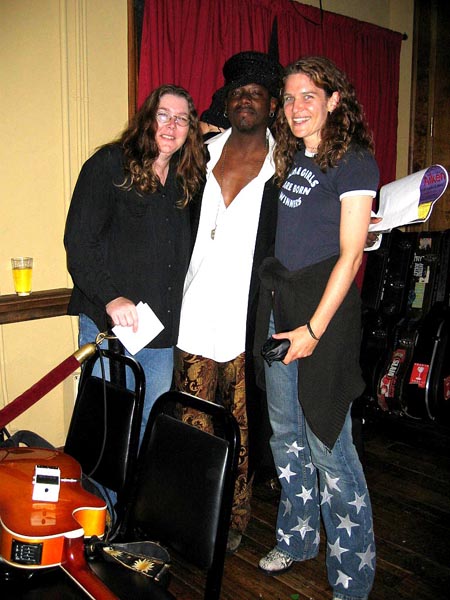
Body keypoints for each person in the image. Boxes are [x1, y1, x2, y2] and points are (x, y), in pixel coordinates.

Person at [256, 56, 378, 600]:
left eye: (309, 95)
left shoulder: (354, 160)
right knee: (286, 435)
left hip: (322, 320)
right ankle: (298, 537)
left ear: (333, 100)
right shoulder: (290, 157)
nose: (296, 106)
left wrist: (312, 329)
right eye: (289, 97)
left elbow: (351, 256)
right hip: (281, 310)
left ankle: (352, 576)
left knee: (329, 442)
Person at [174, 51, 282, 554]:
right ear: (227, 100)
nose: (245, 100)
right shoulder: (200, 154)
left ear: (271, 105)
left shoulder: (285, 169)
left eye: (255, 94)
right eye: (238, 93)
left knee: (241, 429)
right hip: (193, 314)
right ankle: (189, 515)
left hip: (247, 321)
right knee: (192, 423)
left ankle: (235, 517)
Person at [64, 84, 206, 443]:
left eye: (182, 120)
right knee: (106, 430)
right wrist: (111, 298)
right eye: (163, 115)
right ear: (146, 119)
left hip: (160, 332)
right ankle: (99, 487)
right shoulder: (109, 164)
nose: (171, 126)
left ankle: (133, 486)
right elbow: (78, 243)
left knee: (148, 429)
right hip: (112, 326)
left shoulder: (185, 179)